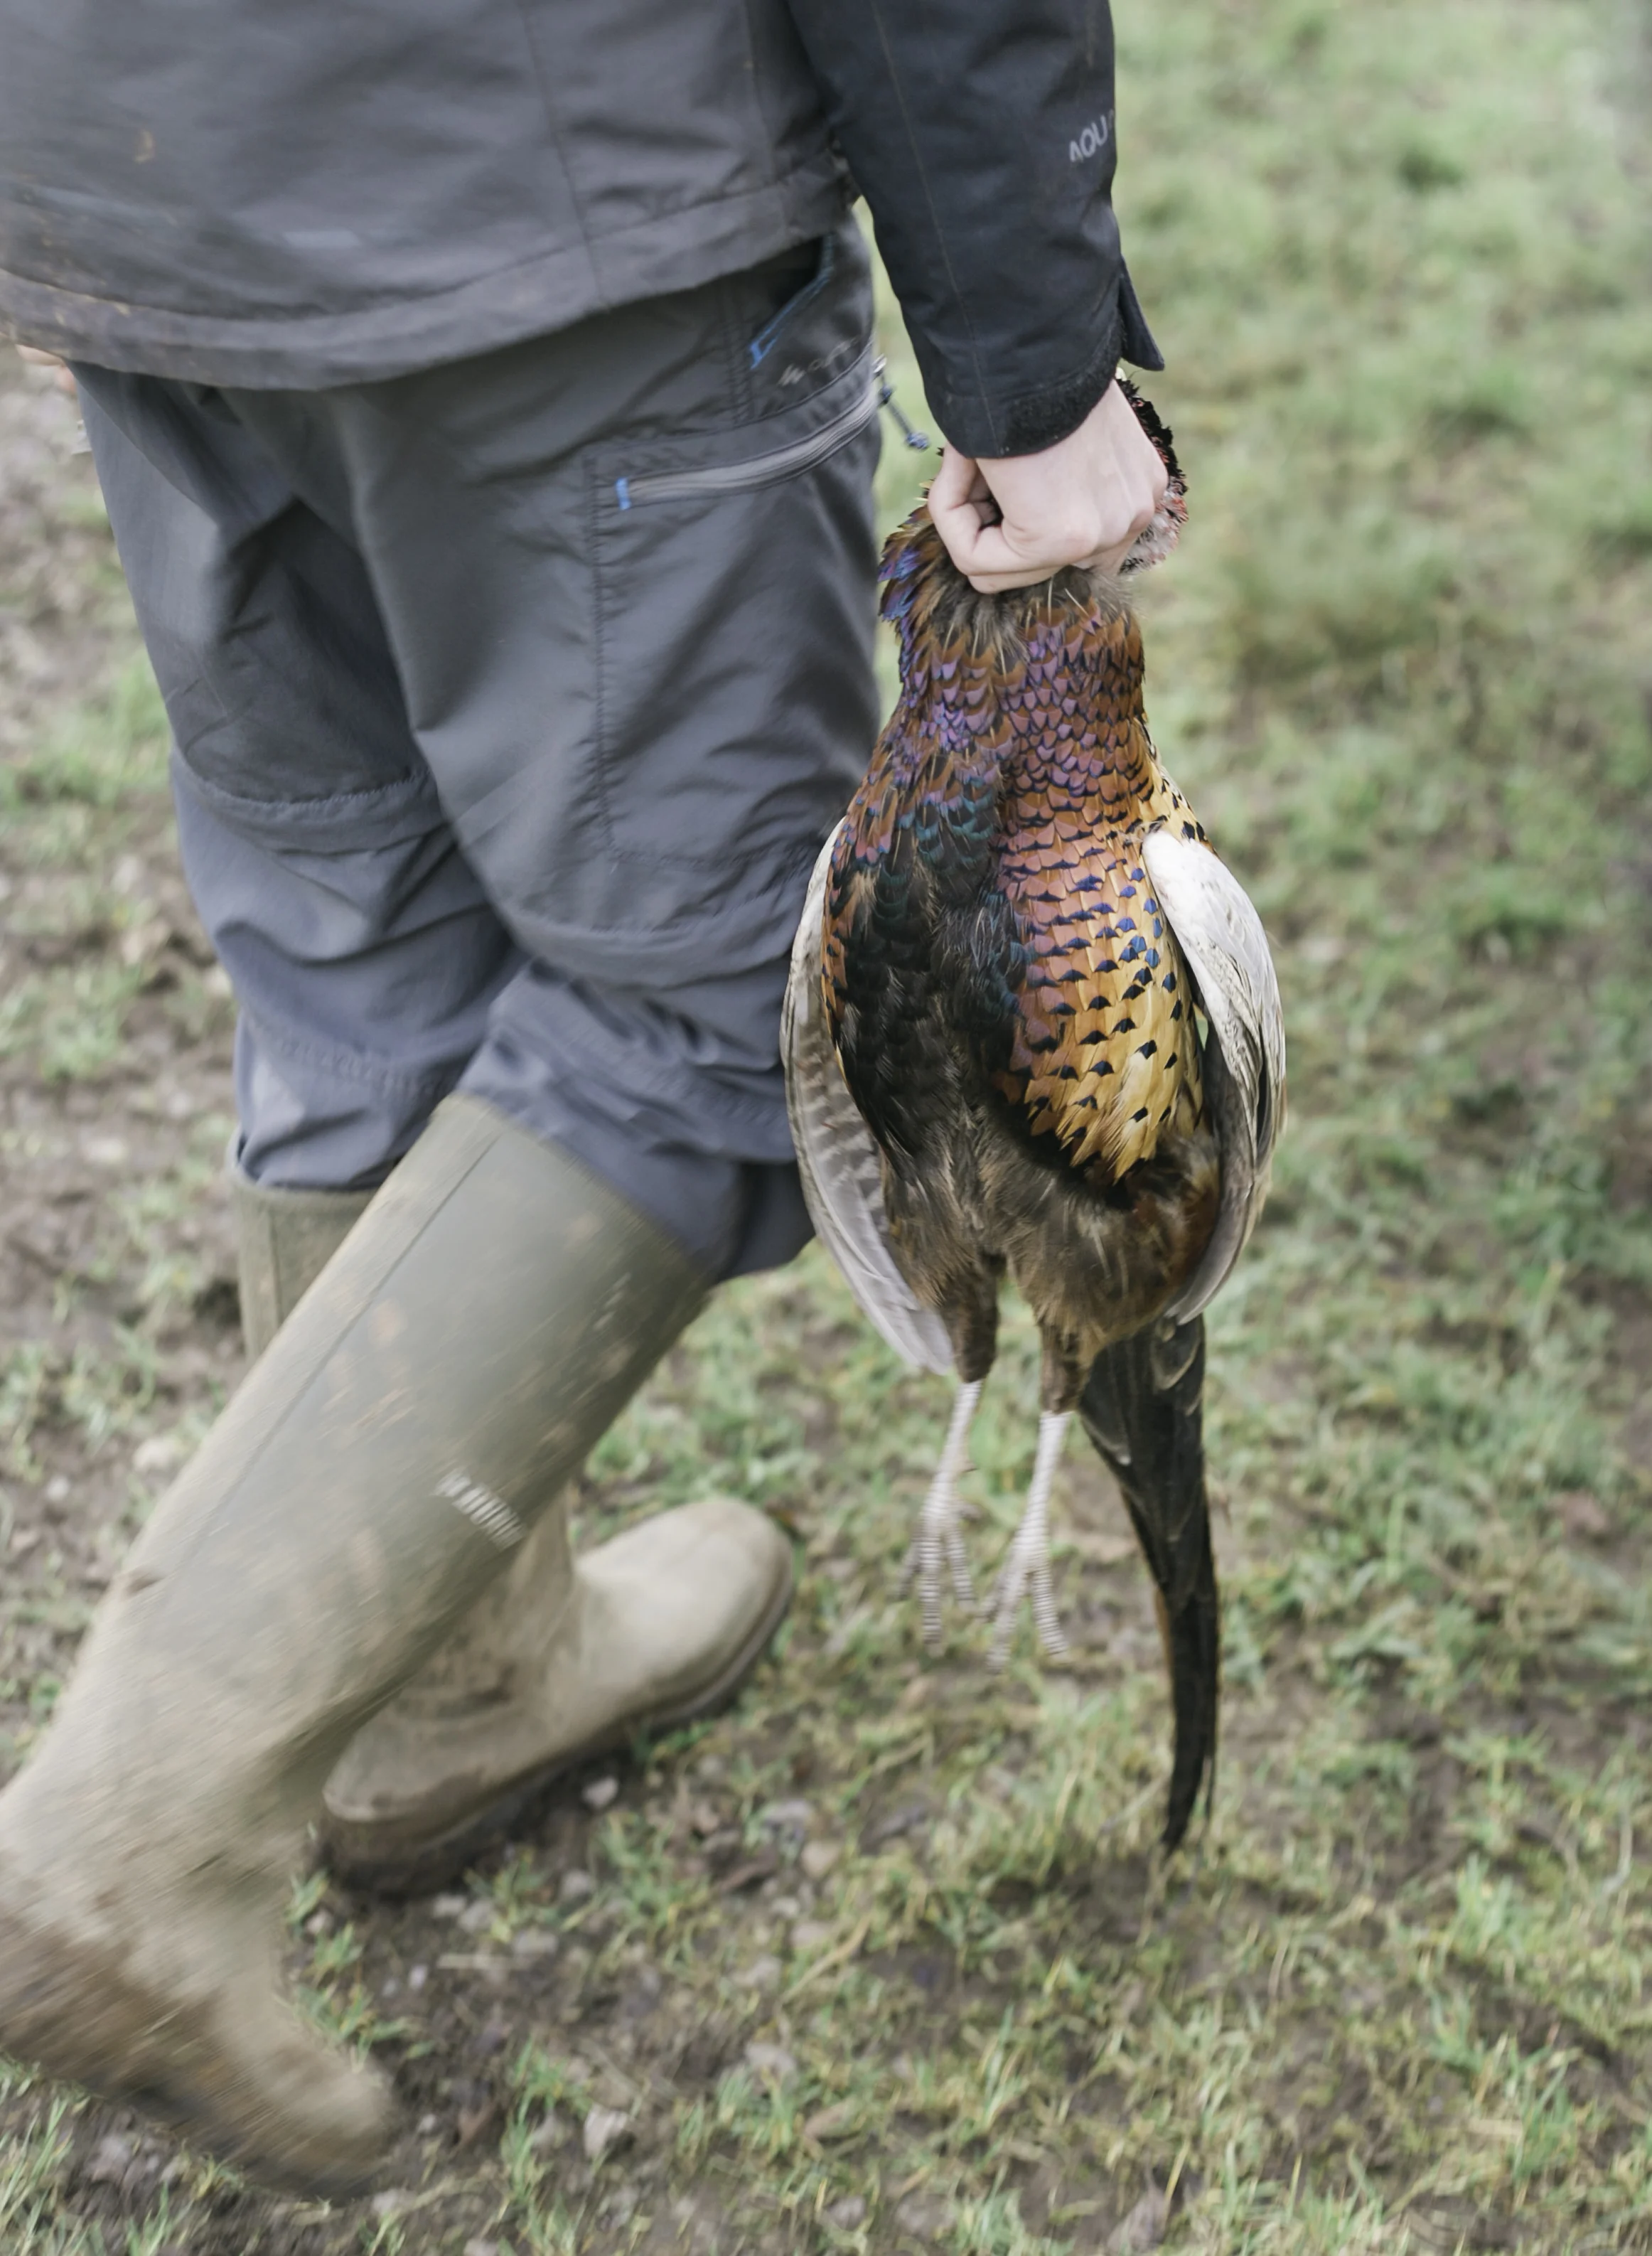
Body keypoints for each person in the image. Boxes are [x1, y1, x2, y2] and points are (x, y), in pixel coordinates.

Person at [0, 0, 1170, 2196]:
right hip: (551, 188)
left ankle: (457, 1686)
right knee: (734, 1002)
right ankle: (130, 1832)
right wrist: (1036, 364)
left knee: (357, 927)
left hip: (141, 164)